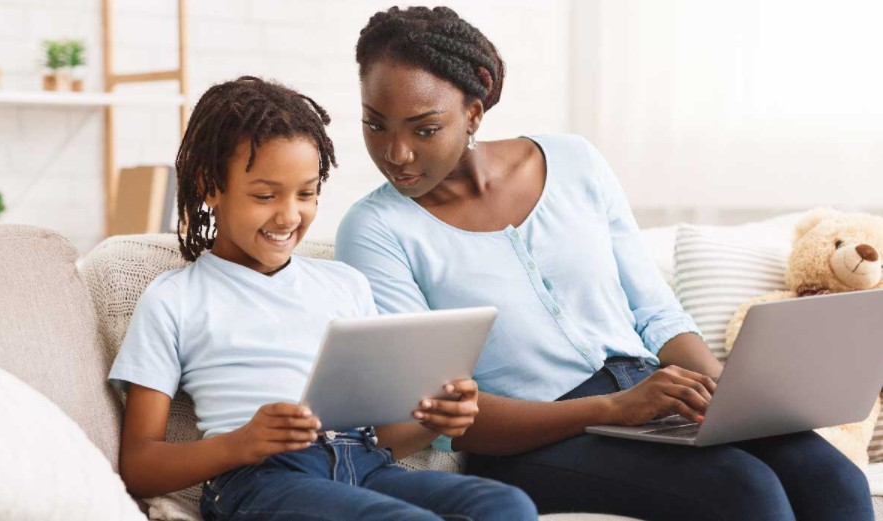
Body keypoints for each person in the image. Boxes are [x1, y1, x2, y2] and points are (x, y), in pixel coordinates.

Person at [335, 7, 874, 520]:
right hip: (533, 440)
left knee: (833, 477)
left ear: (473, 112)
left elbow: (655, 311)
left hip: (649, 395)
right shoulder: (376, 230)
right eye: (375, 125)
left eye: (424, 129)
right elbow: (444, 411)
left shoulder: (574, 162)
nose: (396, 153)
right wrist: (615, 409)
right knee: (743, 488)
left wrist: (727, 396)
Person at [108, 76, 537, 521]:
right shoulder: (174, 298)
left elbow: (385, 437)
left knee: (506, 504)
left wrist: (432, 420)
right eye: (265, 195)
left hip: (365, 466)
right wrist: (240, 443)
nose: (289, 215)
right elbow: (139, 465)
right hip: (263, 479)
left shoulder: (344, 285)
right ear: (209, 183)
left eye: (307, 193)